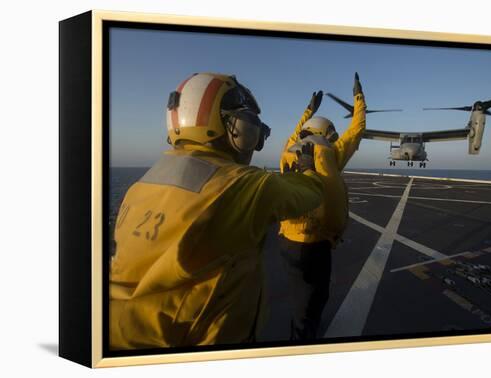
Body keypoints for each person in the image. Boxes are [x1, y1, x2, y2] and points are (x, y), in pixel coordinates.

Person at [109, 72, 329, 349]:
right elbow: (311, 194)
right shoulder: (242, 185)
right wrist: (308, 168)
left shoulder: (139, 187)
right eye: (251, 127)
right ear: (230, 126)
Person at [279, 73, 367, 340]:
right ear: (327, 134)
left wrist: (308, 110)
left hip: (287, 240)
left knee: (300, 296)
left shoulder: (287, 151)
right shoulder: (331, 153)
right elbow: (357, 129)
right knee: (315, 298)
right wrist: (358, 98)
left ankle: (302, 328)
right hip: (316, 242)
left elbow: (296, 133)